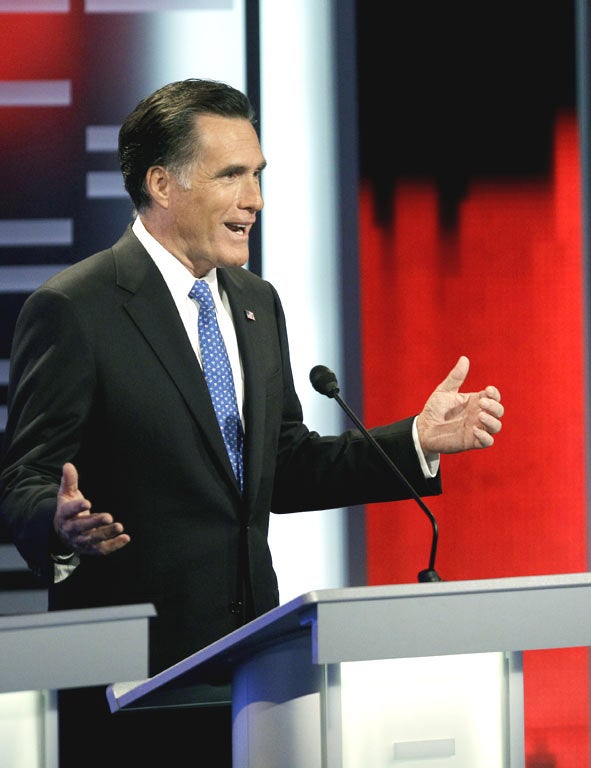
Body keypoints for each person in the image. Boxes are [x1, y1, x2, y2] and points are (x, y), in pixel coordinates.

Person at [0, 78, 504, 767]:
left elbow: (284, 465)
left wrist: (415, 439)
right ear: (163, 183)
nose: (255, 201)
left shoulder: (255, 303)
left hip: (256, 681)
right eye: (233, 176)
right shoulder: (77, 308)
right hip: (133, 688)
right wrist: (57, 523)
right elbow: (22, 480)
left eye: (258, 176)